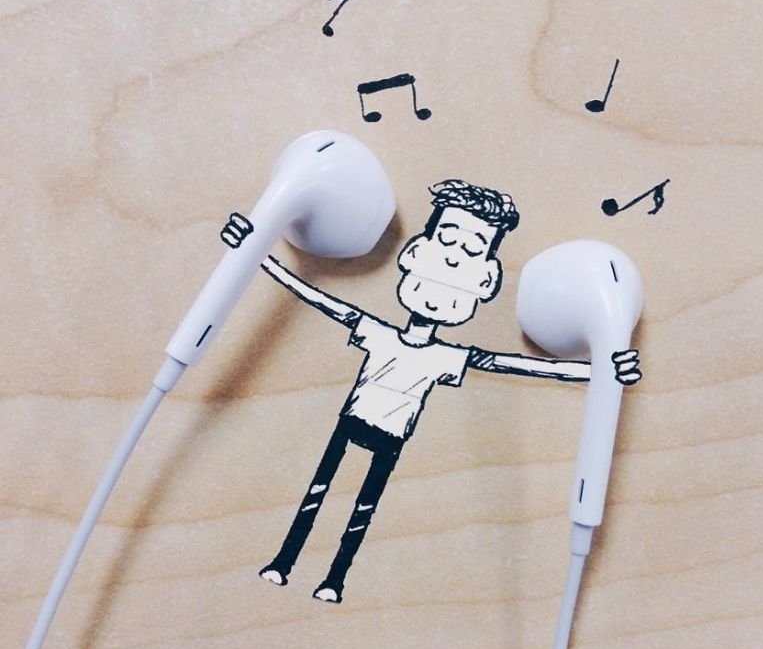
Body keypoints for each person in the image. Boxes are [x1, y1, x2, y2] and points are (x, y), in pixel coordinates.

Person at [221, 179, 641, 603]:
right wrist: (254, 251)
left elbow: (516, 364)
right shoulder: (378, 333)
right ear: (414, 253)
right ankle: (284, 562)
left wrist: (602, 370)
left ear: (487, 280)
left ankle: (334, 580)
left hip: (391, 438)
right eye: (446, 241)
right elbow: (319, 299)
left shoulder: (446, 357)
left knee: (362, 510)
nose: (453, 260)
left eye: (472, 250)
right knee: (318, 493)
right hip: (350, 423)